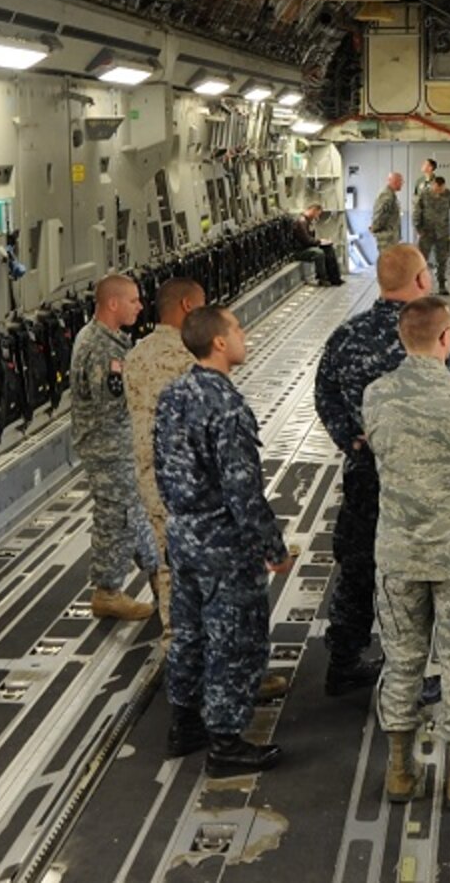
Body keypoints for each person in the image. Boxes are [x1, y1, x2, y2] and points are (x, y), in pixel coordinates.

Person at [361, 296, 450, 811]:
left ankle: (400, 773)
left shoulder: (375, 396)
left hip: (398, 552)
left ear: (403, 337)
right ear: (448, 337)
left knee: (402, 660)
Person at [313, 244, 450, 697]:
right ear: (420, 282)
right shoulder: (428, 337)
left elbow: (326, 397)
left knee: (357, 567)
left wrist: (353, 442)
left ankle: (343, 662)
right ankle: (408, 679)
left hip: (366, 475)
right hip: (419, 486)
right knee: (412, 580)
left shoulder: (346, 336)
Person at [154, 305, 295, 772]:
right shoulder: (227, 406)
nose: (244, 334)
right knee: (234, 638)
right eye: (236, 328)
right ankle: (226, 743)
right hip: (222, 543)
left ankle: (183, 725)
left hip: (183, 534)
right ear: (219, 342)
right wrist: (271, 547)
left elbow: (162, 467)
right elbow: (241, 489)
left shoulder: (174, 393)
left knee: (189, 633)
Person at [70, 273, 161, 621]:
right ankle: (107, 591)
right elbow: (114, 405)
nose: (139, 306)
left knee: (135, 512)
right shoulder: (102, 349)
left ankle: (159, 576)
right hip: (109, 448)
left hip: (117, 446)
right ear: (113, 303)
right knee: (118, 517)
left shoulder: (104, 339)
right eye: (133, 300)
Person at [123, 276, 204, 635]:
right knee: (204, 570)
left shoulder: (136, 354)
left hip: (149, 476)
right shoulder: (188, 357)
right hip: (188, 480)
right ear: (188, 306)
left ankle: (178, 652)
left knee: (167, 565)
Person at [413, 174, 450, 295]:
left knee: (442, 260)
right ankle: (420, 286)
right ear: (433, 185)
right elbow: (417, 212)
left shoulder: (448, 195)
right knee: (421, 260)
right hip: (426, 232)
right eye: (437, 189)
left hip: (442, 233)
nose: (439, 192)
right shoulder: (424, 194)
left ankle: (442, 284)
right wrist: (418, 228)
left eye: (441, 189)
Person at [293, 204, 344, 286]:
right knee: (319, 253)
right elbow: (306, 240)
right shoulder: (301, 222)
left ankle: (334, 277)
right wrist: (319, 242)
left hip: (307, 246)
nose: (317, 217)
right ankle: (322, 278)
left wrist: (321, 242)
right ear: (313, 211)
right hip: (300, 250)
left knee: (329, 249)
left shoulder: (308, 222)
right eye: (317, 214)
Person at [372, 172, 405, 253]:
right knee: (387, 262)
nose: (403, 184)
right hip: (386, 240)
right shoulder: (387, 195)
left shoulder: (392, 195)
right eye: (401, 181)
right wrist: (375, 228)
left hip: (391, 238)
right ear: (395, 181)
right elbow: (379, 214)